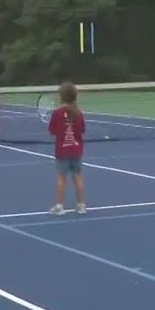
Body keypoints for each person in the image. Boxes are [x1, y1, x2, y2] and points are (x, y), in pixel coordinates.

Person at [48, 81, 87, 216]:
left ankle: (59, 207)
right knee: (78, 177)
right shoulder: (78, 113)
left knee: (61, 178)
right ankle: (81, 206)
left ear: (61, 96)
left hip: (62, 151)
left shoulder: (57, 113)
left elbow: (52, 130)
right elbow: (82, 130)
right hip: (76, 150)